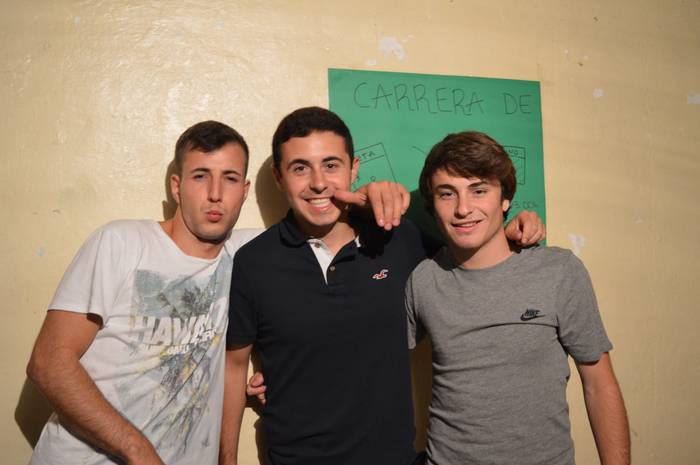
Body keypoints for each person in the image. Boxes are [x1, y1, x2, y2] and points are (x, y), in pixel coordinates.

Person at [221, 107, 545, 465]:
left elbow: (469, 261)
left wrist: (511, 230)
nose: (318, 183)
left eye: (331, 165)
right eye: (300, 168)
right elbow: (234, 367)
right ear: (279, 177)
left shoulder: (400, 239)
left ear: (354, 168)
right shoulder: (254, 262)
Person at [405, 131, 630, 465]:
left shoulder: (558, 271)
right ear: (432, 205)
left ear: (505, 199)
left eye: (479, 190)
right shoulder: (423, 280)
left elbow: (599, 384)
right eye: (447, 194)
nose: (463, 208)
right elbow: (376, 366)